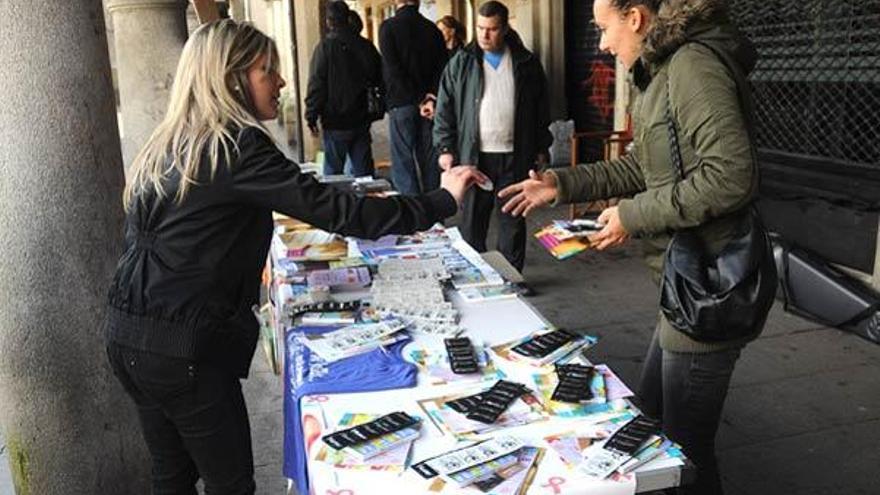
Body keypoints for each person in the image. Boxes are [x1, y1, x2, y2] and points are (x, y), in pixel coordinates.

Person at [103, 19, 484, 495]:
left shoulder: (173, 144)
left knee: (172, 475)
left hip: (130, 334)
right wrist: (440, 202)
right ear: (233, 79)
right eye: (268, 70)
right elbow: (339, 211)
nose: (281, 81)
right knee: (230, 484)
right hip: (182, 347)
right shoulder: (235, 146)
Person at [499, 0, 759, 493]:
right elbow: (643, 166)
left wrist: (632, 215)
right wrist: (560, 184)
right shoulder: (662, 70)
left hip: (710, 287)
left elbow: (732, 175)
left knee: (682, 451)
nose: (600, 43)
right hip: (683, 283)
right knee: (649, 419)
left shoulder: (692, 66)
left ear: (635, 18)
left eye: (603, 28)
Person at [434, 0, 551, 275]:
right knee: (472, 222)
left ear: (505, 27)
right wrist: (445, 147)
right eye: (480, 28)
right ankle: (472, 277)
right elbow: (445, 108)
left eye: (492, 29)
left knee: (512, 220)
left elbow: (540, 109)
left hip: (516, 155)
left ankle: (511, 279)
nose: (485, 35)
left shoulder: (526, 63)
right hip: (474, 157)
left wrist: (541, 147)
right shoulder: (461, 63)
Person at [305, 1, 382, 177]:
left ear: (328, 21)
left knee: (333, 173)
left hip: (335, 120)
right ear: (348, 18)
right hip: (361, 118)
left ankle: (336, 202)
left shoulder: (324, 48)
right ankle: (367, 202)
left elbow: (316, 85)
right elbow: (379, 77)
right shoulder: (366, 46)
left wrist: (311, 115)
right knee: (363, 173)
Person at [379, 0, 448, 194]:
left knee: (403, 161)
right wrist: (430, 98)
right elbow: (442, 68)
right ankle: (434, 211)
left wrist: (417, 98)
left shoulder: (388, 28)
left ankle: (412, 213)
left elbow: (393, 69)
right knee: (429, 158)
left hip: (401, 103)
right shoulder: (432, 30)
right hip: (428, 106)